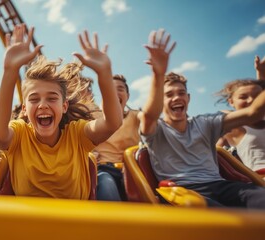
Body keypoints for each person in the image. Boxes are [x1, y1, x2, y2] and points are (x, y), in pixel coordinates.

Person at [0, 24, 122, 199]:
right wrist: (10, 71)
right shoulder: (20, 134)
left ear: (64, 106)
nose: (43, 105)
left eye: (52, 98)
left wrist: (104, 73)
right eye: (34, 99)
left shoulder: (77, 135)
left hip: (74, 223)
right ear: (24, 109)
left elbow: (113, 123)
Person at [138, 30, 265, 208]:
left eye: (181, 93)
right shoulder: (156, 128)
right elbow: (149, 115)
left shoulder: (205, 123)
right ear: (161, 99)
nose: (176, 98)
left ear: (188, 98)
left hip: (220, 186)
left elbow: (253, 113)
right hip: (182, 191)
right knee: (225, 218)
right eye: (169, 95)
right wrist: (158, 74)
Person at [93, 74, 140, 201]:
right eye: (110, 89)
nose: (114, 92)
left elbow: (151, 117)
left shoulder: (135, 116)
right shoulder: (93, 115)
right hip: (103, 168)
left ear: (127, 96)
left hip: (131, 170)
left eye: (119, 89)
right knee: (106, 184)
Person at [215, 56, 265, 172]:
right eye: (243, 97)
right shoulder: (234, 126)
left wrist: (261, 73)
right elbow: (254, 111)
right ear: (231, 101)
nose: (251, 100)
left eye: (256, 96)